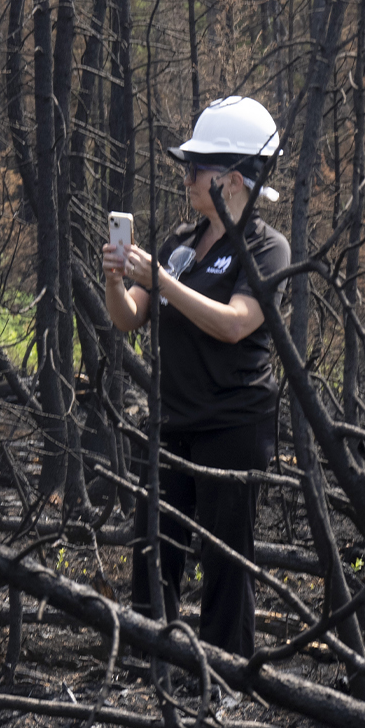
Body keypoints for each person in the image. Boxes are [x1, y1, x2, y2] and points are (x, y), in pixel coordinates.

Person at [101, 95, 291, 658]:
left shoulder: (266, 247)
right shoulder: (180, 246)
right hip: (173, 423)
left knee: (226, 563)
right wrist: (117, 278)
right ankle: (152, 670)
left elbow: (236, 324)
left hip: (232, 426)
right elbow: (130, 315)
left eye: (196, 168)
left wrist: (161, 282)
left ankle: (225, 679)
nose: (185, 177)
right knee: (154, 551)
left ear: (232, 180)